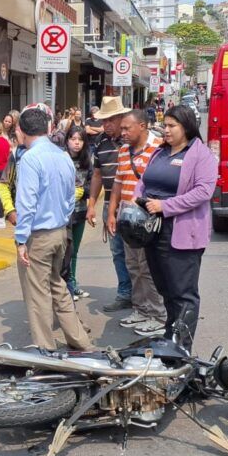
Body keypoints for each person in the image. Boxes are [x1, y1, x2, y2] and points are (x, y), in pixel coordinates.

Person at [134, 106, 216, 345]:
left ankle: (182, 347)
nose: (166, 130)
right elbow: (145, 181)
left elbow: (203, 191)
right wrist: (137, 199)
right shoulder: (160, 152)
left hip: (181, 232)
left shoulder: (201, 155)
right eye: (165, 125)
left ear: (187, 127)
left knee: (183, 294)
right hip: (154, 230)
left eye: (171, 126)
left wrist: (165, 206)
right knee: (165, 288)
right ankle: (171, 336)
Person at [13, 106, 90, 353]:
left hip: (39, 235)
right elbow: (71, 196)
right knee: (57, 285)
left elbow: (26, 203)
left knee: (38, 295)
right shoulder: (62, 155)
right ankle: (80, 342)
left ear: (22, 131)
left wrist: (20, 240)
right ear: (46, 128)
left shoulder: (30, 159)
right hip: (59, 231)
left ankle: (45, 352)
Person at [106, 109, 167, 338]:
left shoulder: (159, 149)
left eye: (126, 128)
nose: (122, 133)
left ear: (142, 126)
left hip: (149, 220)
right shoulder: (123, 151)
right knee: (133, 266)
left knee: (148, 268)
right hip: (128, 221)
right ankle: (140, 309)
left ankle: (158, 315)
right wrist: (112, 214)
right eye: (121, 128)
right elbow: (118, 185)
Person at [85, 97, 132, 312]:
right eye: (104, 121)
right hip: (110, 206)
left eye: (111, 120)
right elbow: (96, 174)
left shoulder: (132, 138)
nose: (107, 125)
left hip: (133, 204)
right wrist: (91, 204)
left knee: (138, 254)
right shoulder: (101, 142)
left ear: (121, 118)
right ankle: (125, 293)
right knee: (118, 252)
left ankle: (143, 295)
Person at [64, 125, 93, 300]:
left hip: (80, 212)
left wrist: (83, 191)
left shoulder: (86, 161)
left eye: (80, 139)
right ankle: (66, 285)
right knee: (65, 251)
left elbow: (92, 185)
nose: (76, 143)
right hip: (63, 214)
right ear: (67, 140)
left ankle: (73, 284)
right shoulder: (61, 159)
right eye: (73, 139)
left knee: (74, 251)